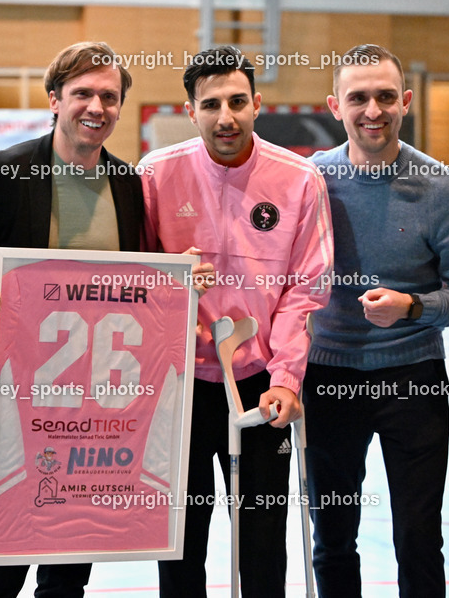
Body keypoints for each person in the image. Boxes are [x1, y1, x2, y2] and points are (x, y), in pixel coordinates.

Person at [140, 45, 334, 598]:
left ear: (257, 104)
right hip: (178, 388)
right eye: (211, 104)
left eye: (237, 102)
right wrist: (165, 280)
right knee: (179, 542)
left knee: (263, 543)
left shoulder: (299, 179)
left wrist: (287, 380)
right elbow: (131, 280)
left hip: (260, 387)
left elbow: (308, 289)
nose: (225, 117)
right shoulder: (155, 174)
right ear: (189, 109)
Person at [0, 41, 140, 598]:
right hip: (16, 392)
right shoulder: (4, 173)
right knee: (6, 553)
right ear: (55, 99)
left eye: (109, 96)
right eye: (82, 92)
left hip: (98, 403)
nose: (96, 106)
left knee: (69, 562)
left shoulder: (129, 184)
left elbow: (141, 283)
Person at [304, 44, 449, 597]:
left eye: (385, 96)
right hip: (328, 378)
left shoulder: (439, 188)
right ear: (335, 105)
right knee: (333, 537)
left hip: (413, 377)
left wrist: (413, 308)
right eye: (358, 98)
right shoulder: (308, 182)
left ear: (405, 102)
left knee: (417, 536)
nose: (373, 110)